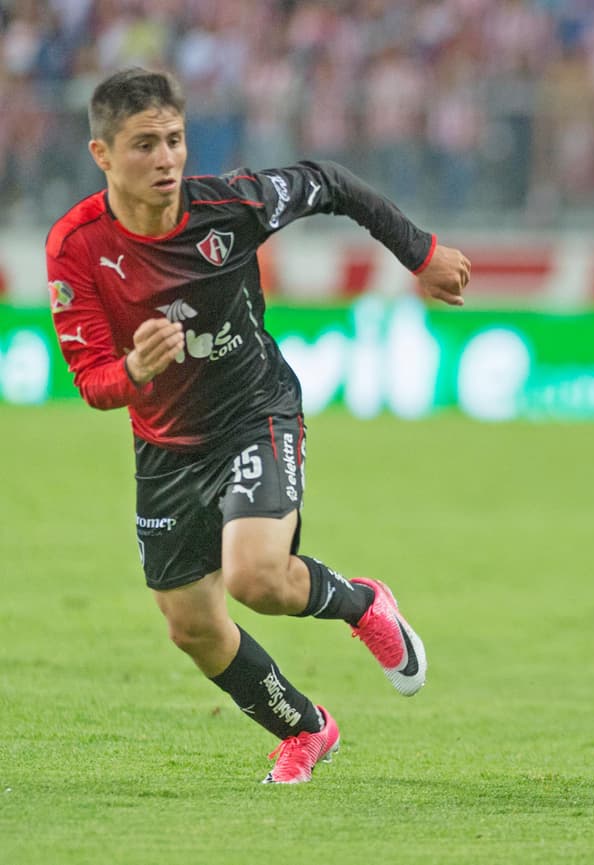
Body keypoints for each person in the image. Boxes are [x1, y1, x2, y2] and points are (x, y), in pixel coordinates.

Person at [46, 68, 471, 784]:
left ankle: (365, 604)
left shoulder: (232, 205)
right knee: (192, 626)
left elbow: (330, 181)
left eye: (174, 140)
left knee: (256, 576)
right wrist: (138, 372)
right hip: (165, 448)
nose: (166, 159)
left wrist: (420, 253)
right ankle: (306, 728)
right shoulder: (76, 247)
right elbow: (93, 384)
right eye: (144, 145)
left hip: (255, 412)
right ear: (102, 155)